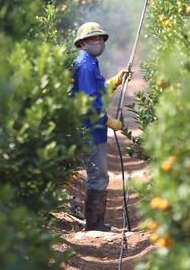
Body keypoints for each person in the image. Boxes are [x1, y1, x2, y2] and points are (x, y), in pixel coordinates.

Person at [72, 22, 132, 231]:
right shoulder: (86, 65)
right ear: (82, 43)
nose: (98, 42)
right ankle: (94, 224)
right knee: (98, 175)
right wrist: (108, 121)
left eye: (99, 39)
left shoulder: (90, 62)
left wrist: (115, 81)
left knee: (98, 175)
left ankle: (95, 222)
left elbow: (97, 91)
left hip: (94, 129)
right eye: (92, 39)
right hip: (90, 128)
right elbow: (89, 102)